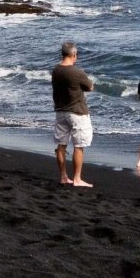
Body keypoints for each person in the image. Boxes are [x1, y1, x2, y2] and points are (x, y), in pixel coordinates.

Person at [51, 41, 94, 187]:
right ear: (74, 54)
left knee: (61, 145)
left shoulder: (56, 70)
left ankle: (63, 176)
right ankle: (77, 178)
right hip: (77, 112)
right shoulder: (77, 72)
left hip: (60, 111)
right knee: (79, 145)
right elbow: (90, 87)